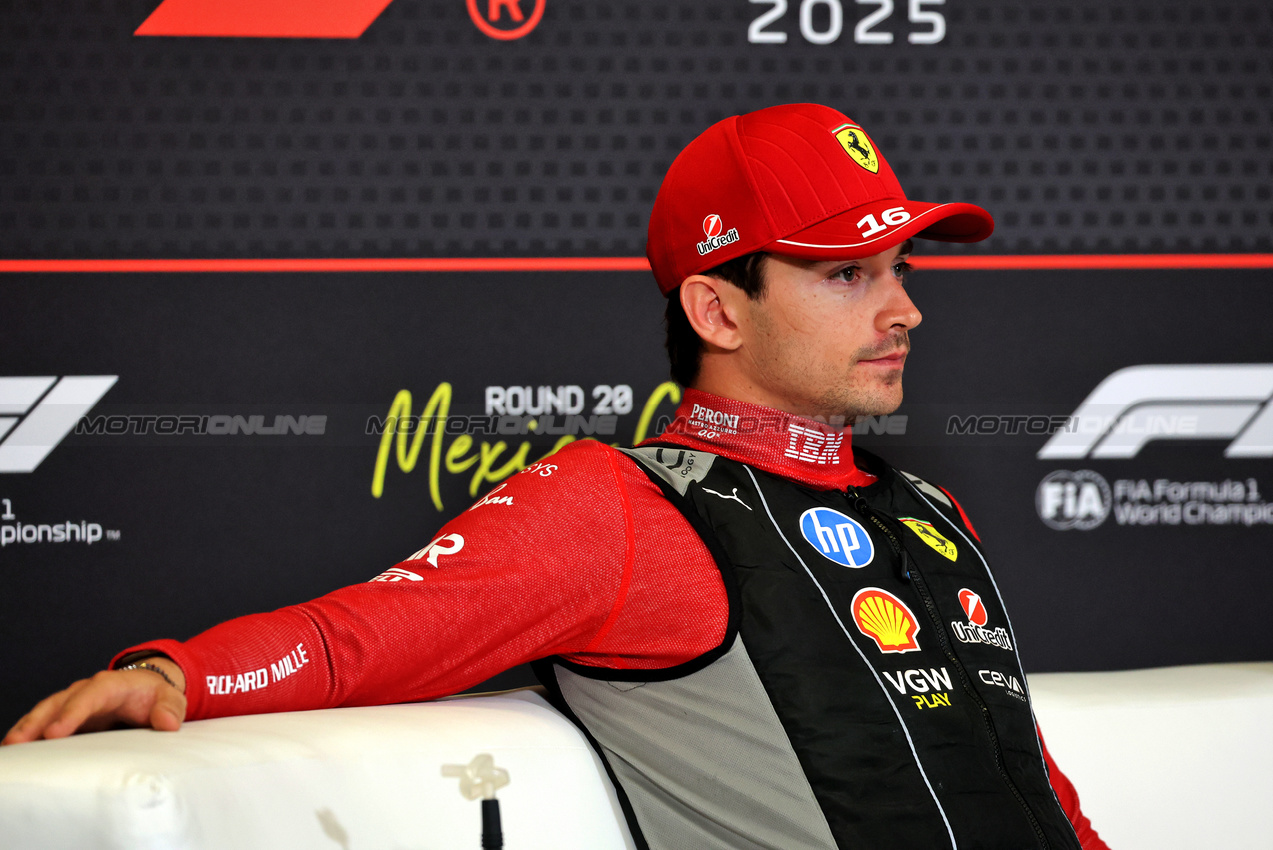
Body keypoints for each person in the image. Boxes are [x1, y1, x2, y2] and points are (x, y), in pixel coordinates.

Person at [4, 103, 1107, 850]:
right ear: (718, 308)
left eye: (901, 267)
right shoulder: (622, 509)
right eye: (844, 273)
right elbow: (360, 636)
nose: (904, 307)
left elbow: (1035, 788)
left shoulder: (928, 511)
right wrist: (178, 673)